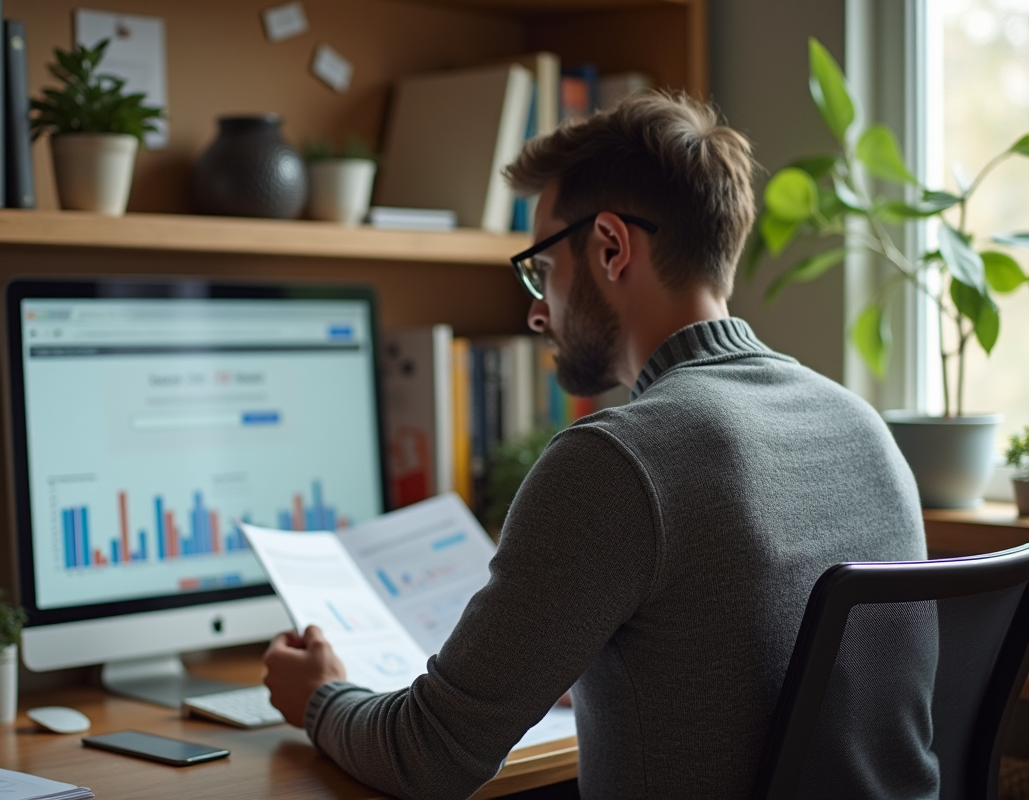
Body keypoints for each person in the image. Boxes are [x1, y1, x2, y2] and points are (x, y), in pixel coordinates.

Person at [262, 92, 936, 799]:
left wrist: (320, 697)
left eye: (541, 269)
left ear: (611, 247)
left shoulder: (617, 461)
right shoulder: (864, 428)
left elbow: (430, 755)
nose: (535, 307)